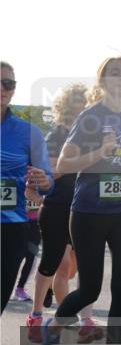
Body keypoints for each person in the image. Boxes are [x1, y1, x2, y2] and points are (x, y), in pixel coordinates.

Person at [45, 56, 121, 345]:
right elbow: (64, 163)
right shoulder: (91, 117)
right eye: (115, 73)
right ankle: (53, 327)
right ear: (103, 80)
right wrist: (99, 153)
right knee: (90, 290)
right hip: (89, 212)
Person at [27, 83, 100, 343]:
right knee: (54, 264)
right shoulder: (55, 136)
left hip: (86, 208)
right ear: (68, 108)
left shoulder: (91, 136)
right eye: (81, 104)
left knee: (82, 269)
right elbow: (51, 172)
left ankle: (76, 316)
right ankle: (37, 314)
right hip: (57, 208)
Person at [1, 61, 53, 313]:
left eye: (7, 83)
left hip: (12, 227)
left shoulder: (29, 133)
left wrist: (44, 182)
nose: (2, 88)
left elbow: (47, 183)